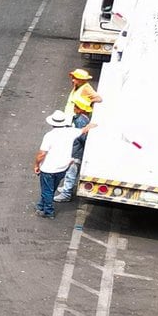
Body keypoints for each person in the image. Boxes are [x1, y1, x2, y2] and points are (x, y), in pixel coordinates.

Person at [57, 69, 101, 202]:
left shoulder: (85, 89)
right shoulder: (78, 88)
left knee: (72, 166)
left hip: (76, 147)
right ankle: (66, 187)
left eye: (75, 78)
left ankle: (66, 193)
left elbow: (98, 98)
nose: (73, 80)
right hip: (73, 125)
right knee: (70, 166)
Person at [35, 110, 86, 218]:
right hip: (63, 167)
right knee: (51, 188)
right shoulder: (71, 132)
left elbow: (42, 154)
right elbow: (84, 130)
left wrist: (36, 165)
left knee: (47, 190)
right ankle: (40, 205)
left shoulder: (49, 136)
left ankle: (48, 211)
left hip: (48, 168)